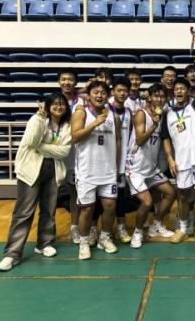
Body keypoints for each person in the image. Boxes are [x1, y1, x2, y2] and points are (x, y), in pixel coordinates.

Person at [0, 93, 72, 271]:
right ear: (48, 106)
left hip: (52, 171)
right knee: (24, 212)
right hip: (30, 170)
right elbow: (31, 141)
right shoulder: (36, 120)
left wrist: (41, 147)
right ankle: (12, 253)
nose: (59, 106)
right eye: (55, 103)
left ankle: (44, 243)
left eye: (62, 104)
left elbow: (64, 152)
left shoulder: (67, 126)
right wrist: (40, 120)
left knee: (49, 210)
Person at [161, 60, 195, 256]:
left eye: (182, 88)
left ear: (187, 91)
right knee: (182, 196)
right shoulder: (169, 113)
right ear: (173, 92)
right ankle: (182, 229)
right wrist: (170, 159)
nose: (179, 91)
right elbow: (165, 138)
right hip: (181, 162)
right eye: (176, 89)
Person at [72, 80, 121, 260]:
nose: (99, 95)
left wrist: (116, 165)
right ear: (89, 95)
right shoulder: (81, 112)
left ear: (108, 96)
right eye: (96, 92)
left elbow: (117, 141)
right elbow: (75, 136)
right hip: (87, 171)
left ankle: (105, 238)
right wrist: (94, 123)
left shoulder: (114, 116)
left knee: (110, 206)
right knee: (87, 209)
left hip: (108, 170)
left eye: (103, 93)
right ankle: (84, 242)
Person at [126, 83, 176, 248]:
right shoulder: (142, 114)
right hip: (135, 168)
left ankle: (156, 225)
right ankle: (137, 232)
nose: (159, 99)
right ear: (150, 97)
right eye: (156, 96)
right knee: (147, 203)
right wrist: (154, 125)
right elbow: (140, 140)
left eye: (162, 96)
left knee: (170, 193)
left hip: (151, 167)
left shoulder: (162, 115)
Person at [57, 69, 85, 245]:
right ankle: (47, 230)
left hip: (77, 154)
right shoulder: (53, 101)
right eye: (63, 79)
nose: (67, 82)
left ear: (75, 82)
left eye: (70, 79)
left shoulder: (82, 101)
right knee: (51, 194)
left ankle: (74, 226)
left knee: (75, 193)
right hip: (57, 152)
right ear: (59, 82)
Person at [109, 77, 134, 244]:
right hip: (106, 162)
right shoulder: (105, 110)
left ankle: (120, 227)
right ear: (113, 92)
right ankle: (99, 230)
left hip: (123, 163)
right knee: (104, 199)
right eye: (119, 90)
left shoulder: (129, 112)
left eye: (125, 91)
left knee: (121, 197)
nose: (122, 93)